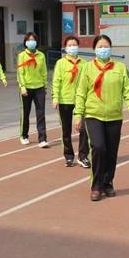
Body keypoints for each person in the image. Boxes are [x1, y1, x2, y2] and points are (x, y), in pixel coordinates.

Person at [73, 35, 129, 201]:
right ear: (95, 49)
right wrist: (77, 115)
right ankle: (96, 185)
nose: (103, 49)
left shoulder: (120, 68)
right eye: (100, 46)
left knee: (111, 152)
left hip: (114, 116)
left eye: (106, 46)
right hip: (93, 115)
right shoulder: (87, 68)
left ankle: (108, 182)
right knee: (99, 147)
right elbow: (81, 93)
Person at [52, 36, 90, 168]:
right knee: (66, 130)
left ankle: (83, 156)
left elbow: (88, 83)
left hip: (81, 101)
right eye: (70, 45)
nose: (72, 47)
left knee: (84, 129)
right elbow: (56, 81)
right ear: (66, 47)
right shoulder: (60, 63)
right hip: (65, 101)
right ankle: (68, 156)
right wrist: (55, 98)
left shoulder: (84, 64)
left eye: (75, 44)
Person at [17, 32, 48, 147]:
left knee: (41, 114)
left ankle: (42, 138)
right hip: (27, 89)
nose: (31, 42)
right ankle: (24, 135)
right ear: (25, 42)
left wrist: (45, 85)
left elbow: (44, 72)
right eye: (29, 40)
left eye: (33, 40)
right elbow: (20, 73)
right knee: (25, 113)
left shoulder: (41, 55)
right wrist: (22, 87)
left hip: (39, 87)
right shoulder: (22, 56)